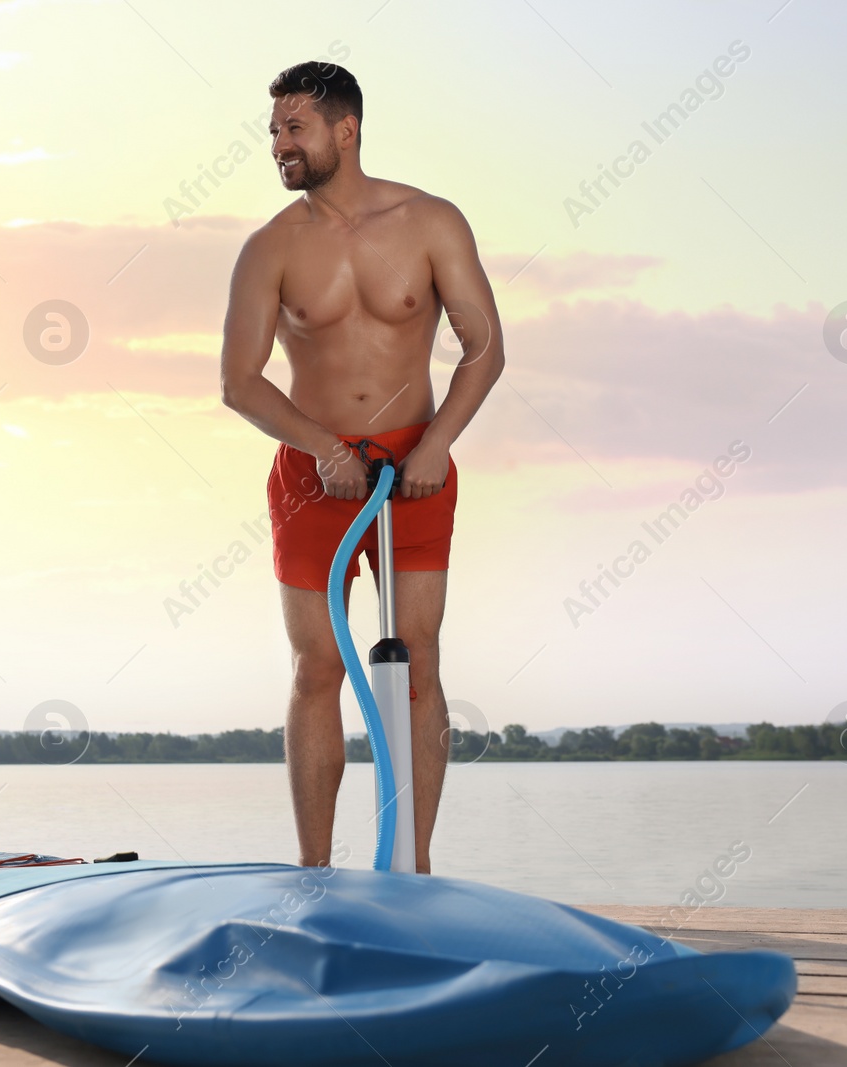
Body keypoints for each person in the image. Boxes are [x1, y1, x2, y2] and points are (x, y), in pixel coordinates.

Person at [219, 61, 504, 873]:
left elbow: (484, 348)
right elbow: (239, 382)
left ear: (345, 130)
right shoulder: (269, 248)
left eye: (293, 128)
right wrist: (326, 449)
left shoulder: (431, 222)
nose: (279, 145)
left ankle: (411, 872)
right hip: (314, 479)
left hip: (417, 468)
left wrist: (440, 442)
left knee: (416, 658)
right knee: (318, 665)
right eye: (273, 130)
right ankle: (313, 873)